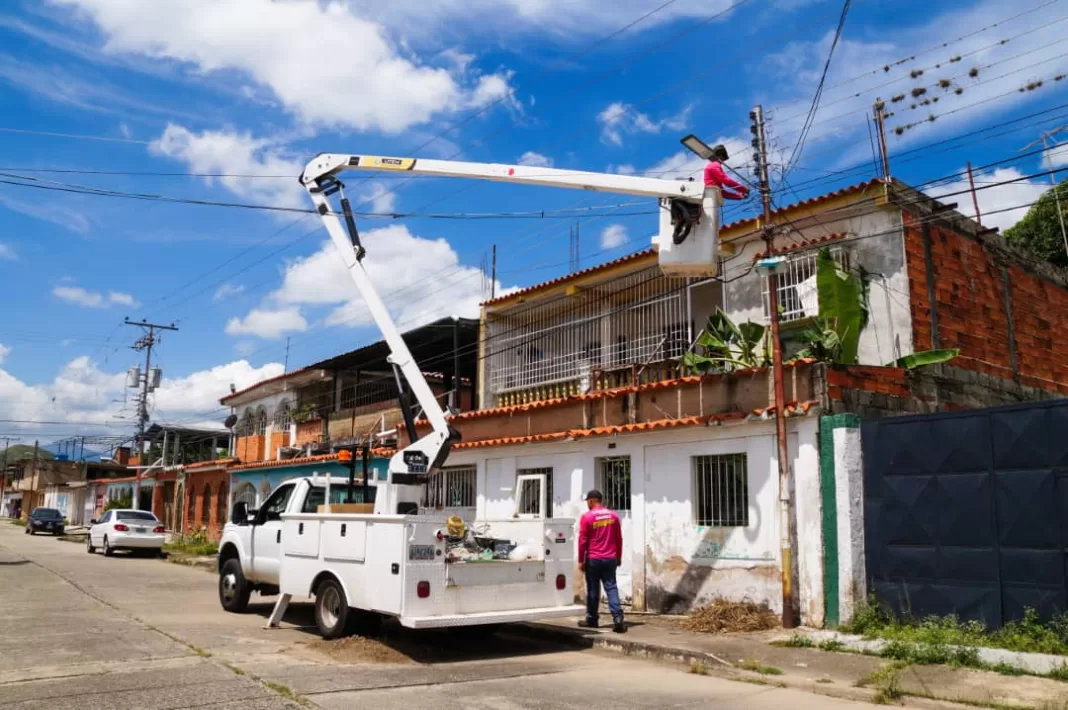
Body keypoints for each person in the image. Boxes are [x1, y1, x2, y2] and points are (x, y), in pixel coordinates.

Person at [577, 489, 625, 633]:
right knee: (611, 587)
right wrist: (619, 557)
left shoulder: (587, 517)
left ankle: (592, 620)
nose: (587, 504)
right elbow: (619, 539)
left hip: (594, 559)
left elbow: (582, 541)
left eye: (588, 502)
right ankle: (617, 618)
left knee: (593, 589)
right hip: (610, 558)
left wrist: (581, 559)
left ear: (591, 501)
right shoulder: (613, 516)